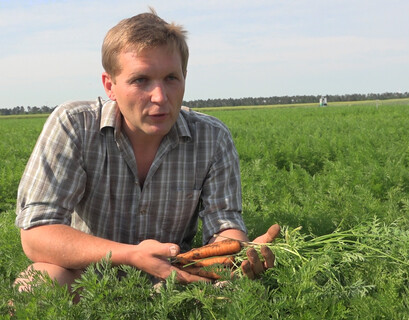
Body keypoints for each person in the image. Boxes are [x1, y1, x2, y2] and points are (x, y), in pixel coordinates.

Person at [14, 9, 279, 294]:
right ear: (110, 86)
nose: (160, 97)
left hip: (177, 282)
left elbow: (224, 226)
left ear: (184, 77)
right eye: (141, 80)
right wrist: (130, 254)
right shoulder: (74, 125)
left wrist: (239, 254)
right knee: (37, 283)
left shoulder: (212, 138)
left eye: (171, 78)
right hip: (89, 279)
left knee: (233, 292)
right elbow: (37, 235)